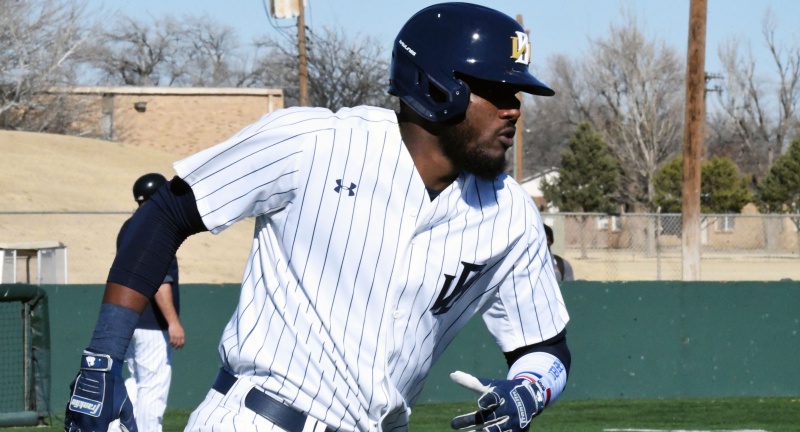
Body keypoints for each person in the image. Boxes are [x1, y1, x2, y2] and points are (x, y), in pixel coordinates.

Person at [64, 3, 571, 432]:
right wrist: (103, 357)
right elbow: (167, 212)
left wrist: (530, 388)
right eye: (498, 91)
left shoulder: (511, 214)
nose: (514, 109)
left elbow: (546, 347)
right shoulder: (314, 144)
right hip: (258, 418)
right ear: (438, 86)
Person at [108, 173, 185, 432]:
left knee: (136, 382)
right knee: (153, 389)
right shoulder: (157, 227)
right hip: (152, 324)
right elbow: (159, 281)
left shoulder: (129, 226)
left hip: (127, 320)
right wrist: (173, 322)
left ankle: (114, 427)